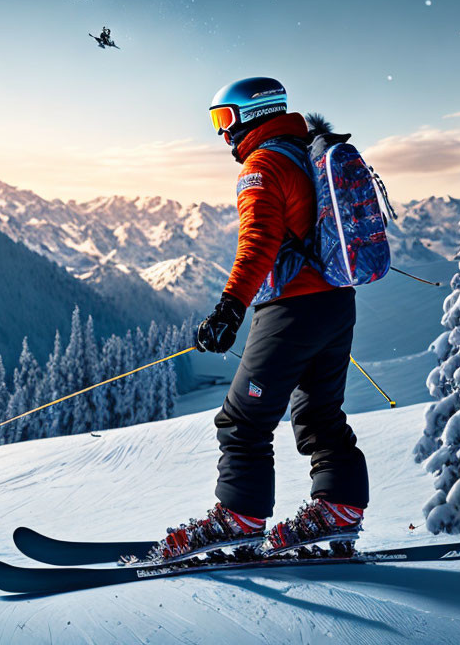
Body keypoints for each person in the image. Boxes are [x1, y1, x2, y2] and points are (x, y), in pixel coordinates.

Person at [152, 77, 368, 562]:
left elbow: (258, 242)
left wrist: (230, 307)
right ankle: (339, 508)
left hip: (291, 310)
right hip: (336, 305)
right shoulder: (306, 154)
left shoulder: (264, 163)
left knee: (242, 420)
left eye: (223, 119)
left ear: (251, 114)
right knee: (320, 416)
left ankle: (239, 518)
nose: (222, 134)